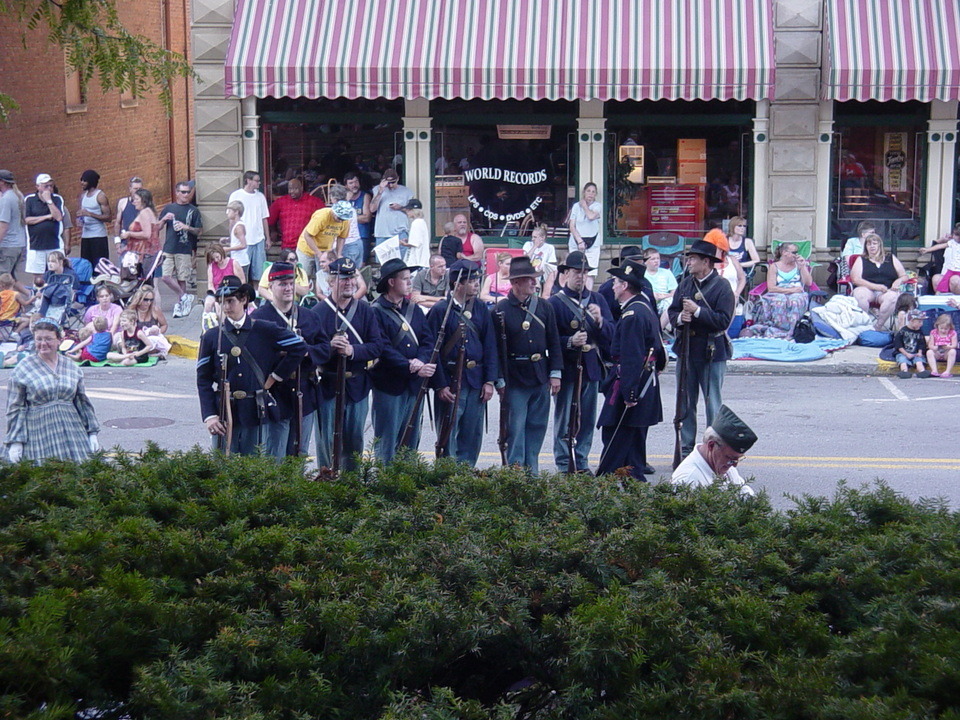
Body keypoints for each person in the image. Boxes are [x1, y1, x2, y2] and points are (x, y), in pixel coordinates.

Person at [197, 275, 306, 456]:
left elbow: (299, 347)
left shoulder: (264, 330)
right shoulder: (211, 337)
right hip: (224, 411)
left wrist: (276, 376)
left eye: (230, 301)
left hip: (255, 411)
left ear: (244, 299)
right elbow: (203, 380)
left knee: (255, 468)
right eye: (221, 302)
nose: (225, 307)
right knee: (222, 469)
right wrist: (210, 416)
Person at [596, 258, 666, 479]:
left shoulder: (632, 315)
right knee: (632, 445)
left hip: (631, 387)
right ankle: (633, 488)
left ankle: (604, 484)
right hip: (641, 383)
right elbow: (659, 350)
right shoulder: (643, 308)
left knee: (615, 436)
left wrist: (630, 393)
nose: (613, 286)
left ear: (625, 286)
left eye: (616, 282)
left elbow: (631, 358)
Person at [423, 260, 498, 467]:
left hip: (476, 381)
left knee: (472, 436)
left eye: (477, 279)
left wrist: (490, 380)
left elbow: (490, 345)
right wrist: (440, 384)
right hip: (451, 380)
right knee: (448, 434)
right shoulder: (440, 310)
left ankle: (466, 479)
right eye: (471, 280)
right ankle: (447, 478)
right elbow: (432, 350)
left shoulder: (481, 308)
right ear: (457, 283)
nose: (476, 284)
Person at [491, 256, 562, 472]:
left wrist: (556, 372)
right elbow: (494, 350)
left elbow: (554, 340)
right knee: (515, 429)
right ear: (515, 283)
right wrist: (499, 380)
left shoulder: (544, 307)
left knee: (537, 427)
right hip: (515, 377)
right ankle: (516, 475)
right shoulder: (500, 310)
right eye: (529, 279)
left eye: (534, 279)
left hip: (540, 373)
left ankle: (532, 473)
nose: (534, 283)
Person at [668, 237, 736, 459]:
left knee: (712, 403)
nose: (689, 262)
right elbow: (672, 311)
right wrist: (680, 317)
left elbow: (723, 321)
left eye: (694, 259)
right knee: (685, 402)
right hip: (687, 348)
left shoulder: (722, 286)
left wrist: (697, 311)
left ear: (706, 262)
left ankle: (714, 450)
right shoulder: (686, 283)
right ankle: (687, 449)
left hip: (711, 351)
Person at [313, 257, 383, 470]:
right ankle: (326, 484)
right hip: (328, 384)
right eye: (343, 278)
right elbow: (310, 352)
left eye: (351, 278)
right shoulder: (317, 312)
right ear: (330, 281)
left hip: (356, 386)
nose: (349, 283)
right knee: (327, 443)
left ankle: (351, 488)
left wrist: (353, 351)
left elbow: (377, 346)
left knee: (354, 443)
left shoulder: (365, 310)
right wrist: (330, 347)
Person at [251, 262, 325, 458]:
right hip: (275, 394)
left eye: (291, 283)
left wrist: (305, 351)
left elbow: (325, 349)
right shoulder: (259, 319)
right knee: (274, 454)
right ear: (271, 286)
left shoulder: (309, 316)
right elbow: (253, 355)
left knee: (299, 453)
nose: (288, 288)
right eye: (283, 284)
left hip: (304, 391)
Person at [549, 251, 613, 474]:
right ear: (566, 273)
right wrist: (570, 341)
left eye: (585, 272)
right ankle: (564, 463)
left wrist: (600, 321)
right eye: (577, 272)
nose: (581, 276)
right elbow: (550, 340)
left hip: (591, 367)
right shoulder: (555, 303)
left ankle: (583, 462)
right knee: (565, 419)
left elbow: (612, 337)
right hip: (567, 369)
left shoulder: (598, 300)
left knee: (586, 420)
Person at [5, 317, 100, 463]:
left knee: (78, 477)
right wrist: (16, 441)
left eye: (48, 339)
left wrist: (92, 432)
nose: (43, 343)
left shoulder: (71, 367)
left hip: (73, 433)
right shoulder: (23, 369)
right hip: (38, 434)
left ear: (59, 340)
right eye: (38, 339)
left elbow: (82, 402)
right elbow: (15, 408)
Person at [370, 258, 435, 464]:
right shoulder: (375, 311)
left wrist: (421, 361)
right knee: (386, 441)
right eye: (405, 279)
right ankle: (385, 484)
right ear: (391, 282)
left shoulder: (414, 309)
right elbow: (382, 347)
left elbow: (427, 339)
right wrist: (409, 365)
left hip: (414, 383)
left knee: (410, 440)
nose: (409, 283)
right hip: (389, 384)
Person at [671, 404, 757, 497]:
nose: (734, 465)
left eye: (738, 459)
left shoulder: (723, 465)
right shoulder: (688, 480)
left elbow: (743, 491)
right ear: (711, 446)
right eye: (730, 458)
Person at [740, 242, 813, 340]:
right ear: (784, 252)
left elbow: (808, 283)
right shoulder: (774, 266)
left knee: (795, 301)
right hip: (779, 292)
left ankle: (792, 330)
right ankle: (778, 330)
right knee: (779, 301)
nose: (796, 255)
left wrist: (803, 267)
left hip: (797, 293)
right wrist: (791, 290)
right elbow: (771, 288)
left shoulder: (799, 265)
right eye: (794, 252)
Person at [158, 180, 202, 318]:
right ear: (177, 193)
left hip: (184, 248)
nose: (186, 195)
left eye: (188, 192)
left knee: (182, 279)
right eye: (183, 192)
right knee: (165, 276)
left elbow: (199, 231)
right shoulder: (169, 208)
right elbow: (157, 227)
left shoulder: (193, 210)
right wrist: (164, 219)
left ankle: (181, 305)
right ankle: (185, 297)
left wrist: (186, 227)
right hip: (169, 247)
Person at [850, 233, 908, 331]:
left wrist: (898, 281)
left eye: (874, 243)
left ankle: (877, 327)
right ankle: (865, 326)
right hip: (867, 290)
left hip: (886, 291)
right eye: (869, 244)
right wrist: (875, 287)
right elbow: (855, 279)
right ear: (866, 247)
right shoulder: (861, 259)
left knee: (892, 297)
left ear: (879, 245)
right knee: (859, 294)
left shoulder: (891, 258)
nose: (872, 246)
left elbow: (904, 276)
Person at [228, 171, 271, 283]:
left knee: (259, 273)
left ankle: (257, 295)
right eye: (256, 180)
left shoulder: (260, 196)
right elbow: (231, 219)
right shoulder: (236, 195)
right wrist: (231, 237)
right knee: (241, 273)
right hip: (242, 240)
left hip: (258, 238)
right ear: (248, 180)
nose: (259, 183)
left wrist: (268, 238)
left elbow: (264, 218)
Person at [24, 173, 66, 282]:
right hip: (36, 245)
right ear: (38, 187)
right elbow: (27, 220)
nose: (49, 189)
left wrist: (49, 201)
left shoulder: (57, 199)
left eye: (51, 186)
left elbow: (58, 217)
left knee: (58, 274)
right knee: (39, 278)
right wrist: (46, 217)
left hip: (54, 244)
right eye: (45, 186)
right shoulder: (29, 200)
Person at [598, 245, 656, 322]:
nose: (637, 269)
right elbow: (604, 318)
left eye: (640, 265)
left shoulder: (646, 285)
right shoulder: (607, 288)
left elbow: (653, 313)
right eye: (633, 265)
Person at [297, 200, 354, 279]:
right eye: (339, 217)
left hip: (326, 250)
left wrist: (338, 254)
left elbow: (341, 237)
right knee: (304, 276)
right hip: (306, 248)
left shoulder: (345, 220)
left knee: (325, 277)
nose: (340, 220)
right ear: (334, 212)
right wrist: (319, 253)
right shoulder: (322, 216)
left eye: (343, 219)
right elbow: (308, 235)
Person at [267, 176, 324, 253]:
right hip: (287, 245)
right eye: (290, 189)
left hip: (307, 245)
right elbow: (270, 219)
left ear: (301, 188)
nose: (292, 192)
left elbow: (324, 218)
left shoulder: (314, 202)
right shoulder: (280, 202)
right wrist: (273, 231)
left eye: (295, 189)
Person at [119, 188, 160, 282]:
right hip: (147, 251)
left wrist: (128, 234)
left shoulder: (144, 213)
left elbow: (146, 234)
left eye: (137, 199)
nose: (134, 202)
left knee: (142, 282)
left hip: (144, 254)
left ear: (143, 201)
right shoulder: (150, 211)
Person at [568, 182, 602, 290]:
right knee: (575, 269)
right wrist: (579, 241)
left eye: (593, 192)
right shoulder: (575, 206)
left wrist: (584, 206)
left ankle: (587, 297)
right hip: (577, 241)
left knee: (590, 272)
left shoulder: (597, 206)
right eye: (588, 191)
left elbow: (591, 216)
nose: (590, 194)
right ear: (584, 192)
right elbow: (572, 225)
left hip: (592, 243)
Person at [202, 245, 245, 328]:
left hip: (231, 291)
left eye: (217, 257)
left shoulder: (233, 263)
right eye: (214, 259)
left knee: (220, 305)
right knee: (208, 303)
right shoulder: (211, 266)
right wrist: (216, 295)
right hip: (216, 292)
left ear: (221, 252)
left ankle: (224, 326)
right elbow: (210, 284)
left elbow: (242, 281)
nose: (216, 260)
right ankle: (207, 327)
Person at [75, 169, 111, 269]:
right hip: (86, 236)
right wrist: (79, 220)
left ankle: (101, 284)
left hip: (98, 236)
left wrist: (90, 214)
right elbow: (81, 214)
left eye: (84, 181)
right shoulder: (83, 196)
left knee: (100, 266)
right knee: (86, 266)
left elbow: (108, 217)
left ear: (91, 181)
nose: (82, 183)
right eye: (81, 180)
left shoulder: (100, 196)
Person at [370, 168, 413, 248]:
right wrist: (380, 191)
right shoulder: (377, 189)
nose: (391, 185)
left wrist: (400, 207)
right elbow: (372, 209)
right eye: (388, 183)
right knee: (382, 260)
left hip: (400, 231)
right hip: (382, 232)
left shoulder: (407, 191)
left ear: (398, 179)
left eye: (393, 182)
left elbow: (412, 212)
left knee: (400, 259)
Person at [0, 169, 27, 278]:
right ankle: (30, 294)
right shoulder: (18, 195)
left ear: (2, 182)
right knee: (12, 279)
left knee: (3, 280)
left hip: (8, 246)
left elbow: (3, 226)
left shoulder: (6, 199)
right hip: (19, 244)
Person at [920, 223, 960, 294]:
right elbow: (939, 246)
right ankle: (938, 297)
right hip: (951, 269)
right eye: (954, 234)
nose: (955, 237)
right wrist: (928, 249)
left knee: (955, 280)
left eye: (957, 235)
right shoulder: (952, 243)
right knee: (943, 280)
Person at [37, 251, 78, 321]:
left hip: (63, 300)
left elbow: (74, 291)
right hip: (47, 300)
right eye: (49, 261)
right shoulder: (48, 274)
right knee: (38, 301)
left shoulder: (71, 275)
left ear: (61, 262)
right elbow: (42, 289)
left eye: (53, 262)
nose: (50, 264)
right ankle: (41, 319)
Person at [342, 171, 372, 266]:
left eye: (356, 182)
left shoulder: (365, 196)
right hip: (346, 237)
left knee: (360, 266)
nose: (354, 185)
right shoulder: (343, 199)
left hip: (362, 236)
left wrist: (347, 217)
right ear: (346, 186)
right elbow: (338, 216)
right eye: (351, 183)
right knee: (346, 265)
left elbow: (367, 218)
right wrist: (346, 200)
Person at [522, 223, 557, 299]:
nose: (532, 239)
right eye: (532, 237)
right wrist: (535, 246)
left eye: (535, 237)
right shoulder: (528, 244)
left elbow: (551, 264)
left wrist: (541, 270)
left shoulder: (550, 247)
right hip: (528, 271)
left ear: (542, 238)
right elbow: (525, 260)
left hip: (543, 273)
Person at [642, 248, 678, 320]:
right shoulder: (642, 274)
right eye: (653, 259)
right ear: (645, 261)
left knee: (670, 302)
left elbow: (676, 292)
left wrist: (664, 296)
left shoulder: (667, 272)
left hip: (664, 302)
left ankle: (661, 328)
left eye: (658, 258)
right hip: (647, 301)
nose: (656, 261)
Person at [894, 309, 930, 379]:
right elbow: (898, 344)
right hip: (904, 352)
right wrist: (906, 354)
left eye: (922, 321)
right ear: (911, 321)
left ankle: (921, 371)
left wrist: (920, 352)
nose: (921, 324)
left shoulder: (919, 332)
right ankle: (904, 371)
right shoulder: (903, 331)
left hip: (915, 352)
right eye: (919, 321)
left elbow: (921, 343)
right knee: (902, 360)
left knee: (919, 360)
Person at [400, 199, 431, 268]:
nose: (407, 212)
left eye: (408, 210)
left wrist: (403, 243)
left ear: (413, 211)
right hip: (423, 260)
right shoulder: (422, 222)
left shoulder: (416, 223)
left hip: (417, 260)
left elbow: (415, 244)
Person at [926, 313, 958, 378]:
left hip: (946, 353)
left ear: (950, 327)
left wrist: (949, 346)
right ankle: (934, 370)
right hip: (937, 352)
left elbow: (955, 345)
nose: (943, 330)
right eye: (941, 328)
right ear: (937, 326)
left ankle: (948, 371)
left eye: (946, 329)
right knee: (929, 352)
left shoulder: (953, 333)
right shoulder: (933, 332)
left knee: (953, 351)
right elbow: (930, 345)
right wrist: (934, 347)